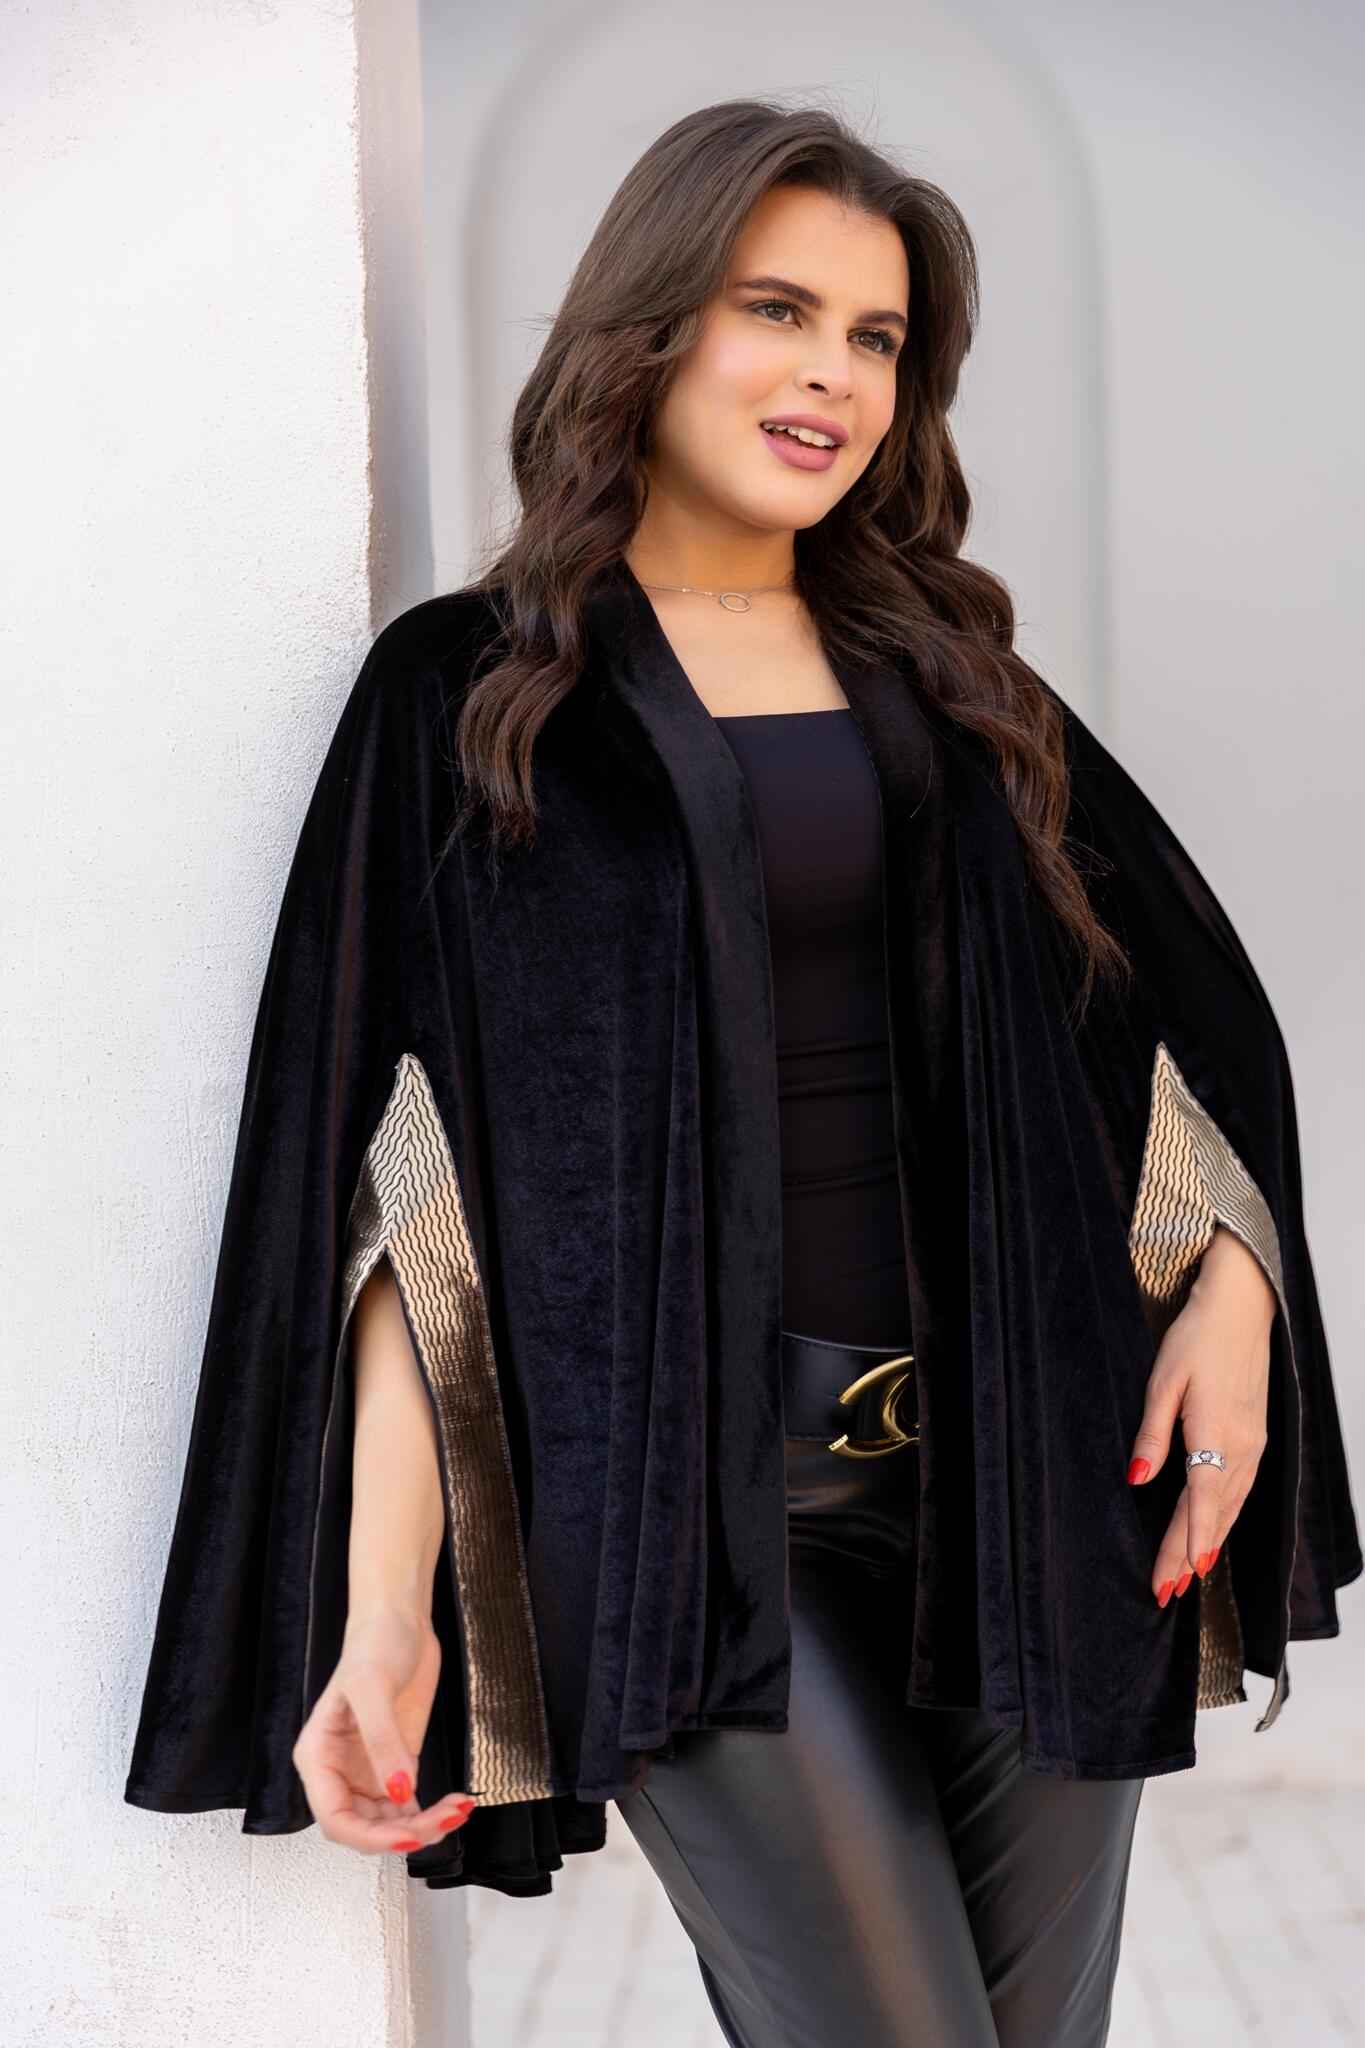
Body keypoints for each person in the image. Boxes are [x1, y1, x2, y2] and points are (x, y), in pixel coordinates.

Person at [124, 102, 1360, 2047]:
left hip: (1033, 1476)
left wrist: (1229, 1284)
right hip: (696, 1515)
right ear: (648, 323)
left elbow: (1175, 1015)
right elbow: (402, 1195)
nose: (832, 374)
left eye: (875, 337)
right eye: (775, 308)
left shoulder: (948, 680)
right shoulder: (471, 696)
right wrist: (383, 1610)